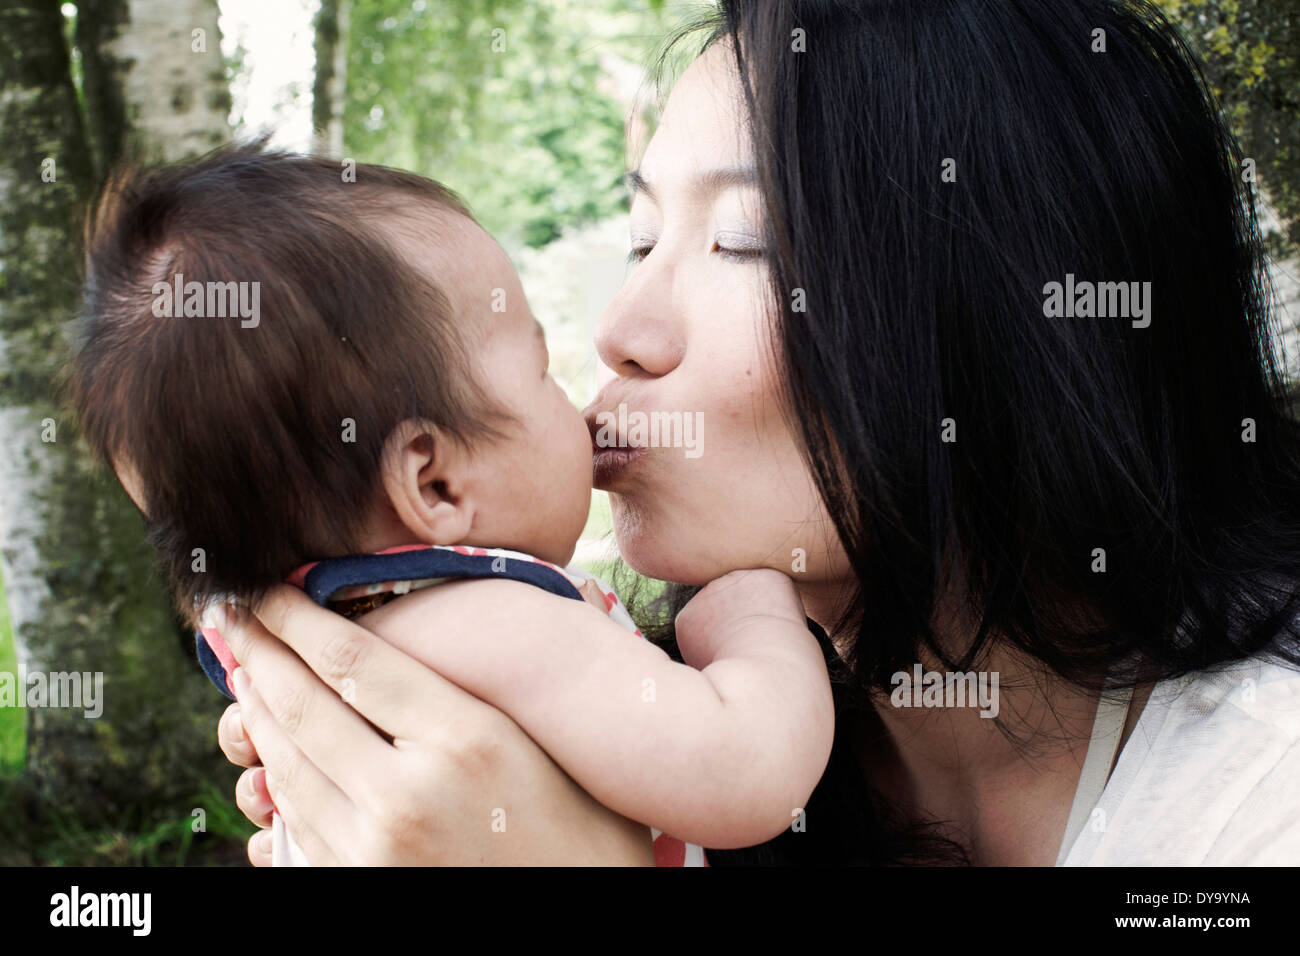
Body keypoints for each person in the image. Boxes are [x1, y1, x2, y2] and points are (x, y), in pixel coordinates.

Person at [216, 0, 1300, 865]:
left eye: (743, 243)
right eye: (641, 238)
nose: (621, 332)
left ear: (1003, 303)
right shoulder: (622, 732)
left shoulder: (1261, 795)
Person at [67, 145, 835, 864]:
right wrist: (756, 620)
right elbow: (748, 768)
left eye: (738, 240)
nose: (599, 359)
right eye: (542, 372)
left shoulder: (331, 646)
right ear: (434, 484)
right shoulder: (494, 623)